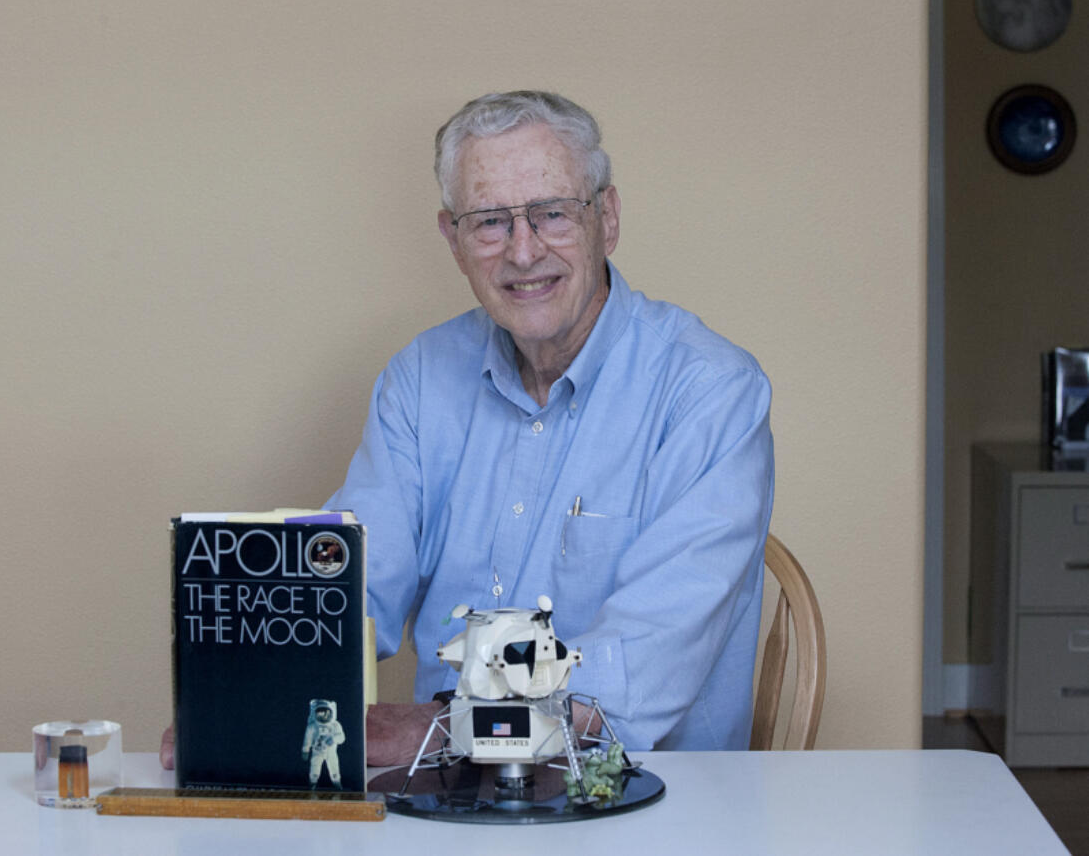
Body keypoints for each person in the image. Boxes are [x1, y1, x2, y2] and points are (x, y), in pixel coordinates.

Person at [161, 90, 772, 770]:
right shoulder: (420, 379)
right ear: (453, 240)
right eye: (489, 222)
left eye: (551, 214)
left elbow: (637, 677)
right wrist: (250, 699)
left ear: (610, 217)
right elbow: (348, 589)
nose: (523, 251)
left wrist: (438, 731)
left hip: (650, 804)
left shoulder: (709, 392)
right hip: (441, 802)